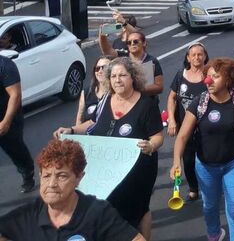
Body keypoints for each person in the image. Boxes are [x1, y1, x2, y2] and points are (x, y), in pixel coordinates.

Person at [54, 57, 163, 240]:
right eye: (113, 76)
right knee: (109, 210)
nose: (117, 80)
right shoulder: (105, 100)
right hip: (108, 171)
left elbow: (158, 136)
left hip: (138, 171)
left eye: (122, 75)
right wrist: (71, 130)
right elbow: (93, 123)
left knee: (138, 210)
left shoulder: (146, 105)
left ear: (133, 77)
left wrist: (151, 145)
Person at [171, 58, 234, 241]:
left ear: (228, 79)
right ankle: (214, 234)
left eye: (215, 76)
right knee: (210, 206)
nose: (208, 80)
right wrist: (176, 161)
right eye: (207, 76)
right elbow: (182, 136)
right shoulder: (199, 103)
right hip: (206, 165)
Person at [0, 138, 143, 241]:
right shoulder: (26, 216)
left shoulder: (97, 213)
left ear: (79, 177)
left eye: (61, 176)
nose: (52, 184)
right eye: (46, 176)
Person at [167, 42, 209, 201]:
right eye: (193, 55)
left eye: (200, 54)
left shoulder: (209, 76)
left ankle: (209, 187)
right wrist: (172, 120)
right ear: (188, 58)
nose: (197, 57)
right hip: (185, 128)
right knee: (188, 159)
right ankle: (193, 188)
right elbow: (171, 98)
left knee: (207, 159)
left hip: (205, 128)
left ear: (205, 56)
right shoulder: (180, 76)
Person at [0, 52, 35, 193]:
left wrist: (6, 122)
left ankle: (27, 171)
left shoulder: (5, 66)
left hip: (8, 116)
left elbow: (15, 95)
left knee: (15, 149)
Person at [98, 29, 164, 100]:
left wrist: (135, 88)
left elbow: (159, 87)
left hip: (147, 101)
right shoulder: (123, 56)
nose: (132, 44)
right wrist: (102, 35)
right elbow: (107, 51)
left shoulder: (152, 61)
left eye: (135, 41)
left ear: (144, 43)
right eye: (129, 42)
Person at [75, 56, 111, 125]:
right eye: (97, 68)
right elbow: (79, 121)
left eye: (105, 68)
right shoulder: (86, 93)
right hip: (88, 131)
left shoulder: (117, 94)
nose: (100, 71)